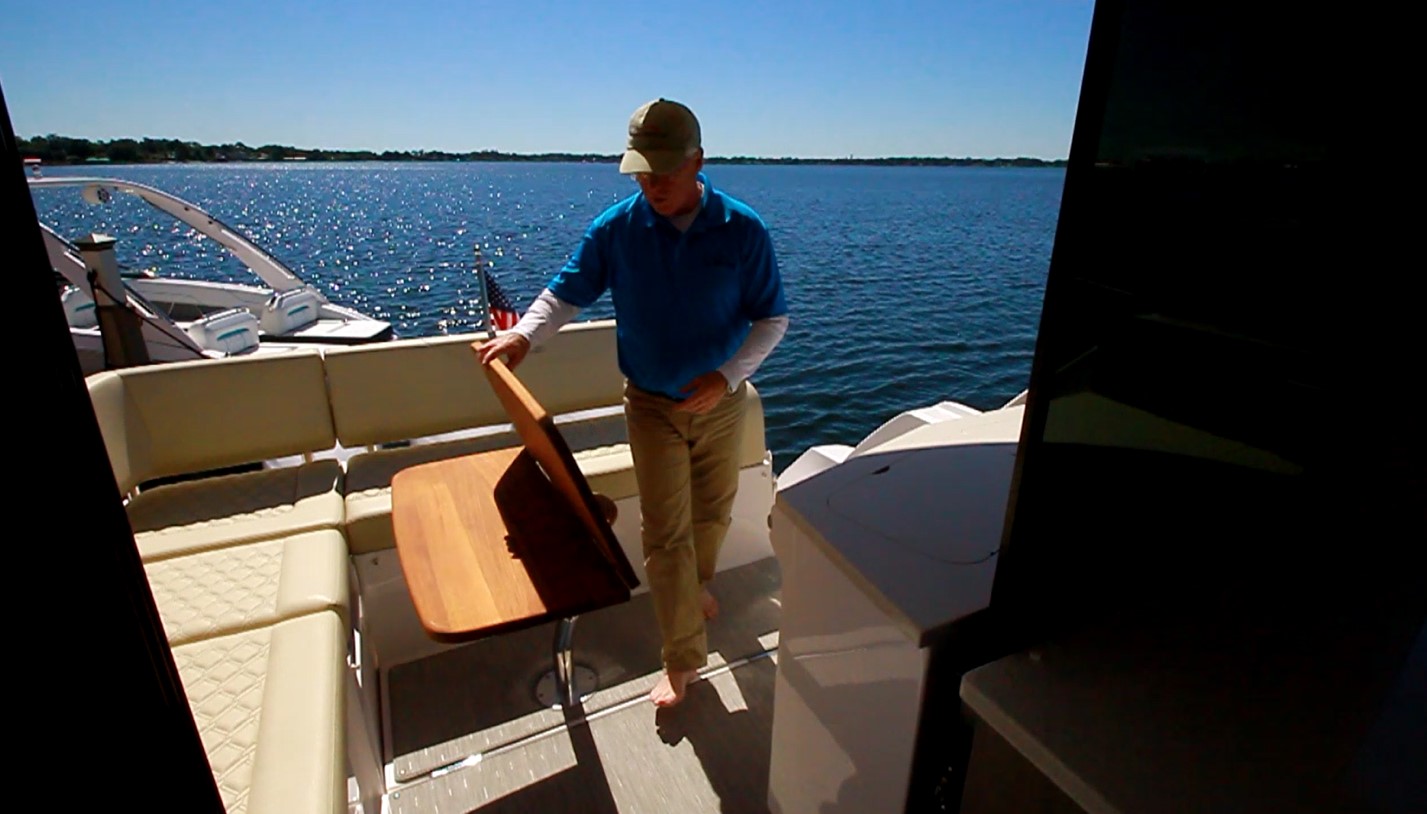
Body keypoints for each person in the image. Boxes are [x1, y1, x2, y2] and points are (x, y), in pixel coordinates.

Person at [479, 98, 788, 707]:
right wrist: (521, 335)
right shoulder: (617, 228)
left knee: (713, 516)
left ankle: (695, 587)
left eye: (664, 172)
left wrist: (725, 378)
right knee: (665, 534)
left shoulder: (742, 229)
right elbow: (565, 294)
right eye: (642, 172)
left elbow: (772, 320)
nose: (652, 185)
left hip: (723, 406)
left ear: (698, 162)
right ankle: (681, 660)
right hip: (650, 407)